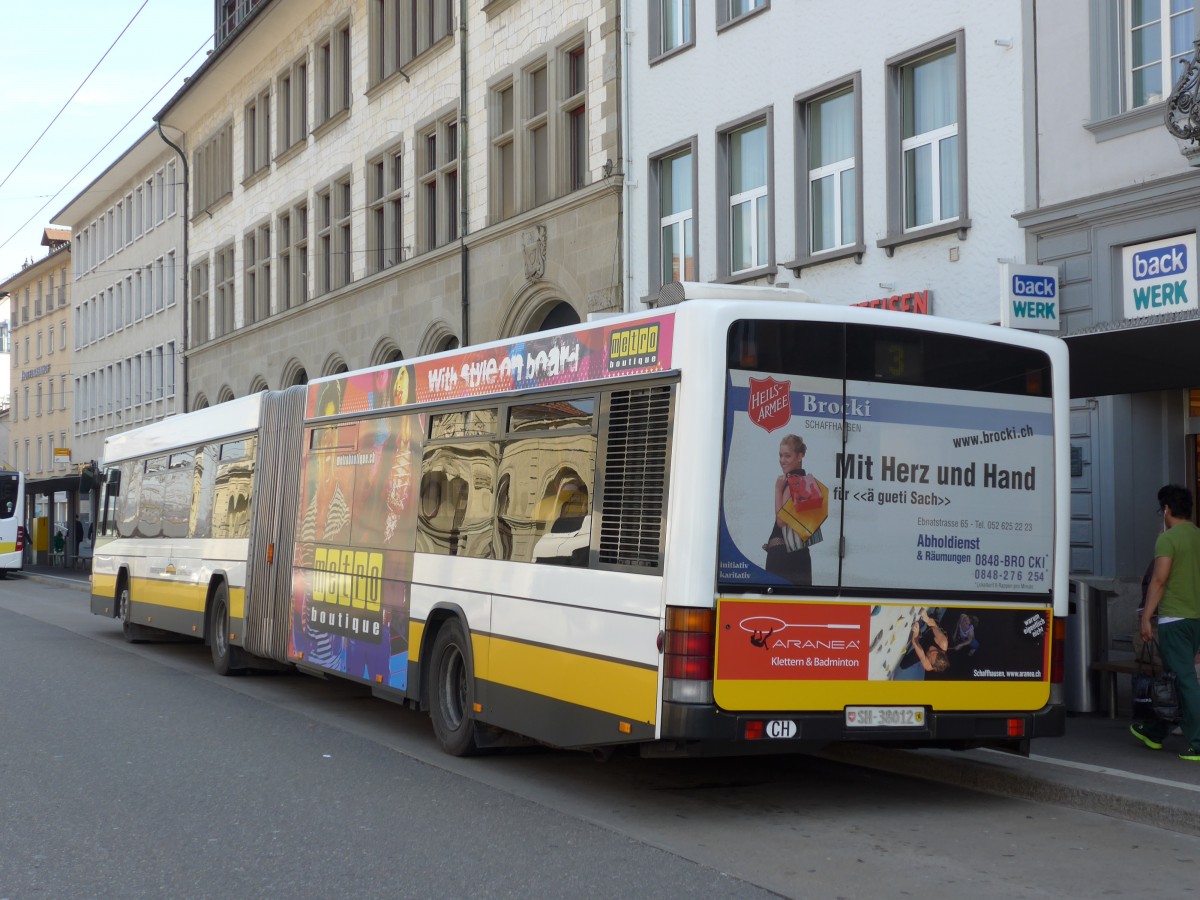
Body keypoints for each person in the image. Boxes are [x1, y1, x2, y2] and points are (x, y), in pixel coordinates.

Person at [1130, 485, 1200, 760]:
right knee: (1175, 678)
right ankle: (1155, 731)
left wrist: (1147, 616)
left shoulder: (1167, 539)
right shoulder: (1197, 536)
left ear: (1167, 510)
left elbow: (1159, 579)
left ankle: (1197, 741)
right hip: (1196, 619)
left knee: (1183, 681)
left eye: (1162, 510)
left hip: (1174, 619)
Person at [762, 434, 823, 585]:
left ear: (800, 456)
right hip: (800, 556)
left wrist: (777, 490)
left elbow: (781, 521)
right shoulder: (808, 483)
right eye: (781, 455)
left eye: (788, 456)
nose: (782, 460)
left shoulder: (792, 482)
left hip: (784, 559)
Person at [895, 609, 950, 680]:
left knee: (903, 665)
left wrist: (916, 632)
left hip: (923, 646)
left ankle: (920, 632)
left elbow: (915, 642)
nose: (929, 653)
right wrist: (926, 618)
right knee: (931, 619)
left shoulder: (927, 666)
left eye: (929, 657)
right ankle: (931, 617)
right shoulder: (943, 642)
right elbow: (934, 625)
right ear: (939, 651)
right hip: (931, 634)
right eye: (932, 653)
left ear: (931, 664)